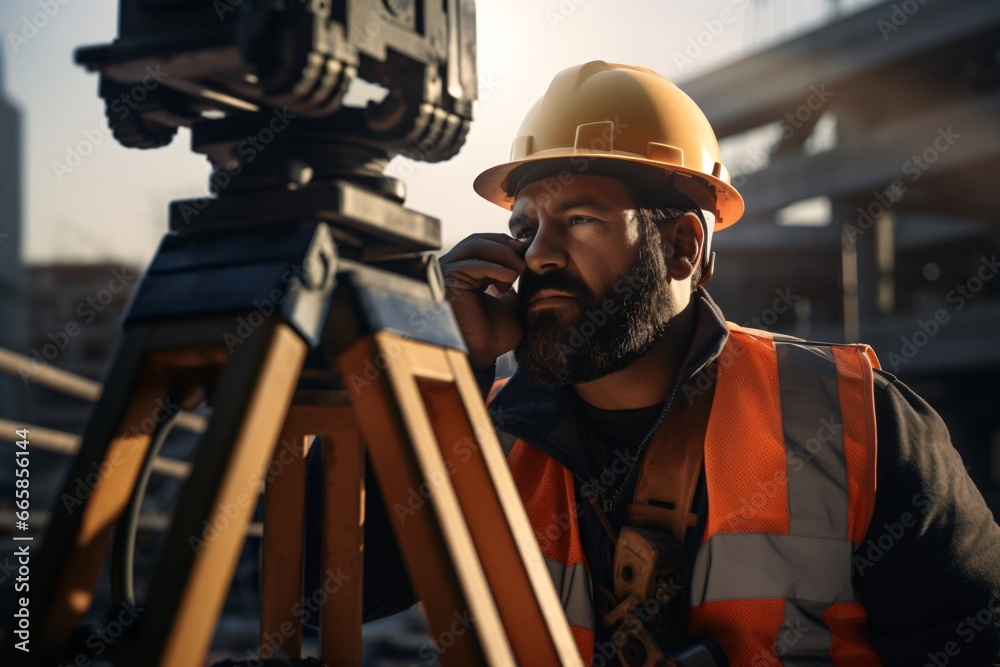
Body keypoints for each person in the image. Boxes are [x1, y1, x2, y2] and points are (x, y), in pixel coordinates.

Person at [352, 61, 1000, 665]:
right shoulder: (477, 433)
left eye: (578, 219)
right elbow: (336, 591)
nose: (538, 255)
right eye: (523, 230)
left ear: (684, 248)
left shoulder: (852, 416)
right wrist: (436, 361)